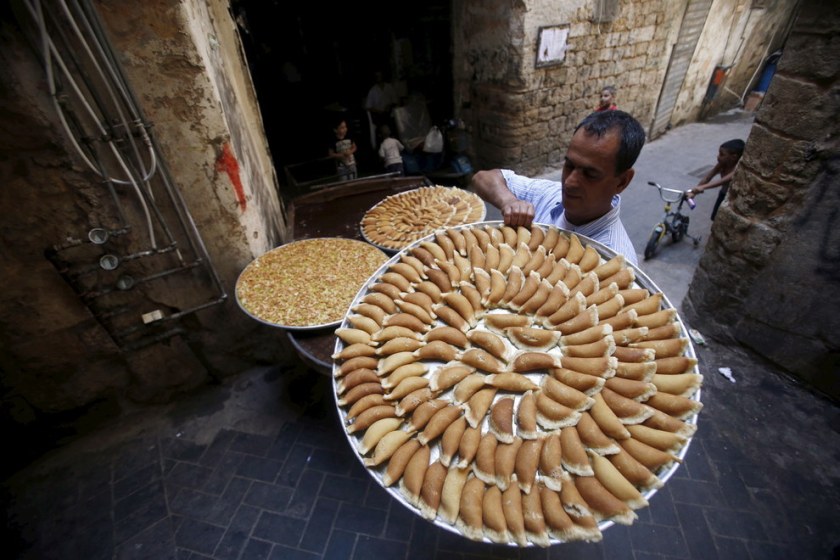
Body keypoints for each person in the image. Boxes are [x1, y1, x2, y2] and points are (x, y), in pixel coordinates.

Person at [470, 110, 646, 265]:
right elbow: (483, 178)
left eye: (590, 174)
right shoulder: (549, 194)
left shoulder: (616, 260)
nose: (569, 182)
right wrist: (508, 201)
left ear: (622, 181)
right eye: (569, 165)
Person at [687, 138, 745, 220]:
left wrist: (703, 187)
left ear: (734, 157)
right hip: (723, 194)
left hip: (733, 198)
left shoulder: (737, 169)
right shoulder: (722, 164)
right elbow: (707, 177)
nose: (718, 156)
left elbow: (722, 181)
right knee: (715, 217)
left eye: (722, 154)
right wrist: (694, 192)